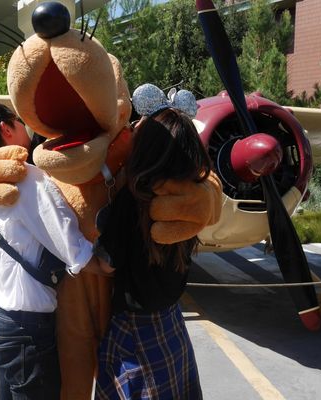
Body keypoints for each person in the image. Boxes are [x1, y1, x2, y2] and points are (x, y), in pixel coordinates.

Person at [0, 80, 107, 400]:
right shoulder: (27, 179)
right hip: (28, 332)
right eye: (18, 120)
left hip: (0, 321)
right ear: (6, 129)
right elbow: (73, 250)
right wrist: (107, 265)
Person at [94, 106, 212, 399]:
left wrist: (76, 262)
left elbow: (107, 265)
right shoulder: (195, 197)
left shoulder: (133, 198)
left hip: (135, 332)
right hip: (171, 322)